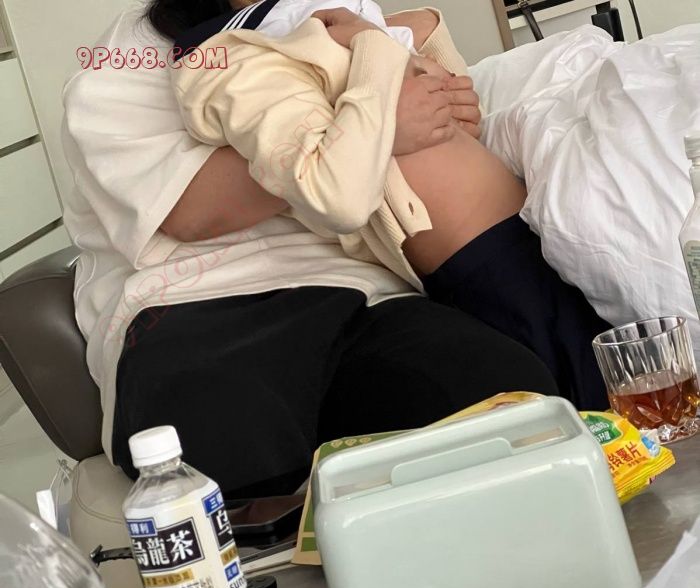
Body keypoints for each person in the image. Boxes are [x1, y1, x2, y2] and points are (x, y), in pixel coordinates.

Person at [62, 0, 557, 499]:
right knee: (225, 441)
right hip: (190, 299)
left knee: (502, 395)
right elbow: (191, 210)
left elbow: (421, 105)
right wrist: (375, 130)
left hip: (357, 288)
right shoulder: (126, 57)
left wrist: (444, 107)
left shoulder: (326, 14)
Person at [172, 3, 611, 407]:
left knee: (626, 398)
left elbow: (449, 115)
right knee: (602, 415)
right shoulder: (240, 59)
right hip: (486, 262)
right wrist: (371, 42)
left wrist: (424, 47)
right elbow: (335, 193)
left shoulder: (324, 17)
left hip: (535, 226)